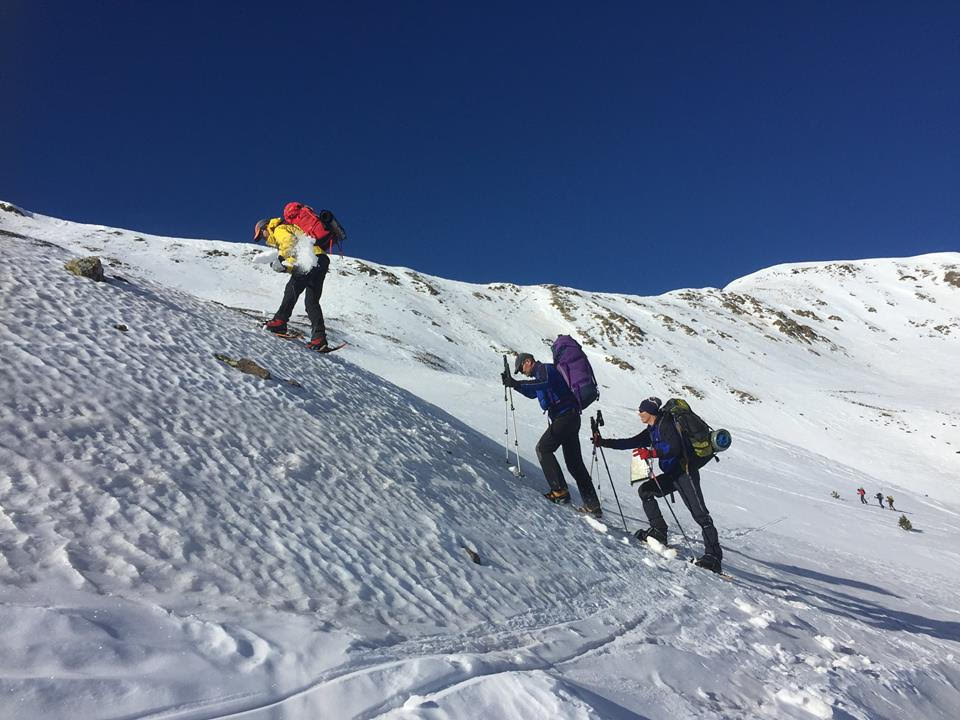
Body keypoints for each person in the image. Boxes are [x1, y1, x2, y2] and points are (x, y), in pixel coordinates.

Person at [594, 397, 723, 573]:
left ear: (650, 413)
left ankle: (714, 557)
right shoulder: (652, 429)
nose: (639, 414)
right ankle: (658, 532)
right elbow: (631, 442)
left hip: (685, 473)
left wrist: (652, 452)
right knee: (646, 491)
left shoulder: (667, 425)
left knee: (700, 514)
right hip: (672, 474)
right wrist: (604, 442)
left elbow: (674, 448)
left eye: (642, 411)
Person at [502, 352, 601, 516]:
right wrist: (515, 385)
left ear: (528, 361)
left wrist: (516, 382)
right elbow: (534, 392)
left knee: (543, 449)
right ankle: (593, 505)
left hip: (565, 417)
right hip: (570, 417)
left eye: (521, 368)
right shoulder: (539, 376)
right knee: (574, 463)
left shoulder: (545, 369)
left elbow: (543, 384)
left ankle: (559, 492)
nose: (522, 371)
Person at [253, 216, 332, 351]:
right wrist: (286, 267)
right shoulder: (286, 228)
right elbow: (295, 261)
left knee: (292, 288)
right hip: (320, 260)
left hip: (311, 258)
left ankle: (280, 321)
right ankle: (319, 338)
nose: (263, 238)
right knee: (311, 302)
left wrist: (280, 259)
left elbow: (289, 243)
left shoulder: (278, 229)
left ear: (265, 227)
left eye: (261, 234)